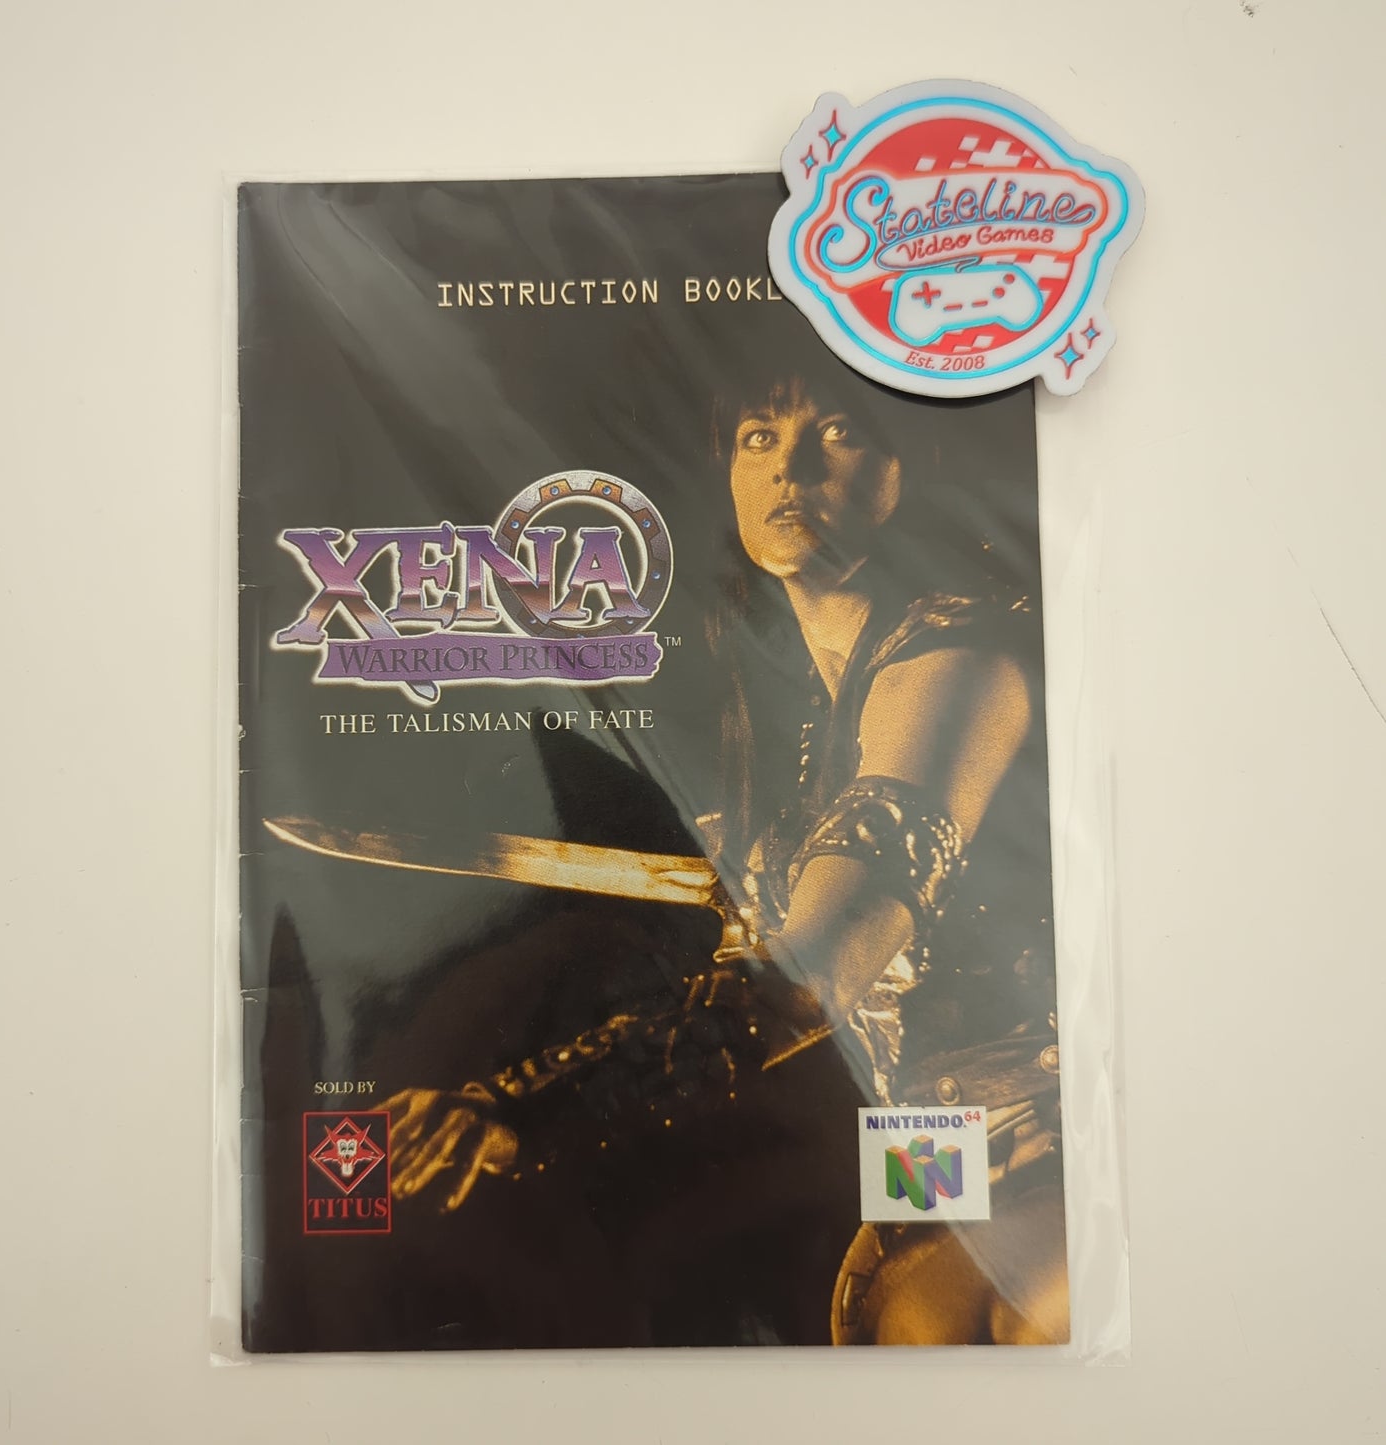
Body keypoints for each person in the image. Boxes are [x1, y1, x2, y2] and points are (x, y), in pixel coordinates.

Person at [382, 358, 1068, 1346]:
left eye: (837, 432)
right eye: (759, 436)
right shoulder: (809, 722)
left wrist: (535, 1096)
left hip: (1049, 1164)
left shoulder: (957, 661)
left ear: (905, 466)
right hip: (930, 1184)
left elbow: (808, 976)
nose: (790, 466)